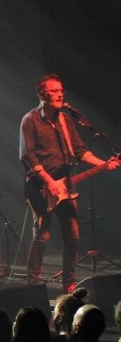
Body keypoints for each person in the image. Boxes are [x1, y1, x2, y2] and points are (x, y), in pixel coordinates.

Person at [20, 74, 119, 292]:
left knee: (72, 235)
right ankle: (32, 282)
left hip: (66, 187)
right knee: (43, 235)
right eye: (54, 91)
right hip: (40, 187)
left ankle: (69, 284)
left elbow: (81, 152)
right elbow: (28, 156)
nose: (59, 94)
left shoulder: (66, 120)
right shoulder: (30, 120)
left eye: (61, 91)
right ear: (42, 94)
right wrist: (48, 181)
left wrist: (104, 164)